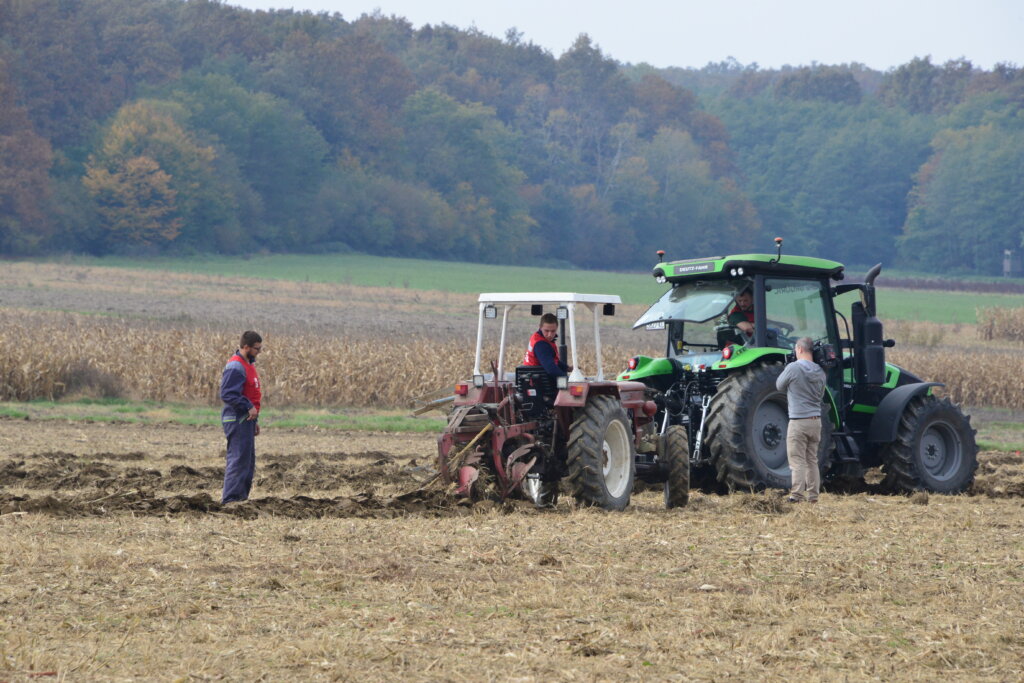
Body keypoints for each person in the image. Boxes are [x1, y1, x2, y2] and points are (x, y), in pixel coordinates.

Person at [776, 336, 827, 503]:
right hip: (816, 421)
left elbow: (779, 385)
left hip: (798, 421)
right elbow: (821, 395)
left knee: (797, 460)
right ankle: (813, 497)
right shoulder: (820, 371)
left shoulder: (793, 368)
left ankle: (796, 495)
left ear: (799, 349)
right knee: (812, 460)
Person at [220, 331, 263, 504]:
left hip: (247, 420)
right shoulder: (236, 366)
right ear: (246, 347)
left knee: (247, 462)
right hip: (236, 419)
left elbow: (250, 393)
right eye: (256, 349)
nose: (259, 352)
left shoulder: (248, 365)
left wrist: (255, 420)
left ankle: (241, 500)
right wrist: (248, 407)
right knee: (238, 460)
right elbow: (228, 394)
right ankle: (231, 501)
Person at [522, 312, 570, 377]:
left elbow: (553, 360)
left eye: (553, 331)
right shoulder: (541, 344)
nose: (550, 335)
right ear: (540, 327)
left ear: (557, 328)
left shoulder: (539, 337)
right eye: (546, 331)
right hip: (536, 380)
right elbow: (551, 368)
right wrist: (567, 379)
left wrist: (567, 368)